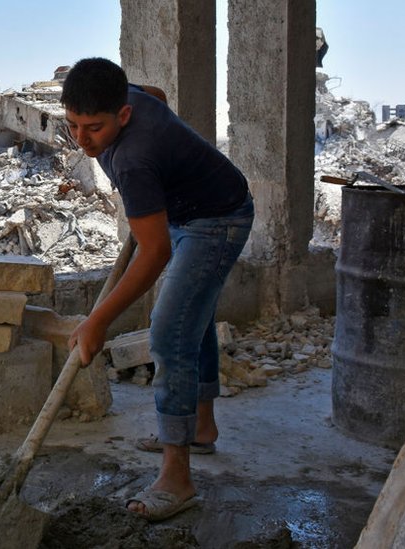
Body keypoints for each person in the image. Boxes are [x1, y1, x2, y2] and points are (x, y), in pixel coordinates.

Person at [62, 57, 254, 521]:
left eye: (95, 128)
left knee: (169, 333)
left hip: (218, 220)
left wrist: (98, 321)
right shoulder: (131, 96)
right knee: (194, 316)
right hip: (186, 212)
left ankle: (177, 477)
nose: (82, 140)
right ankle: (200, 427)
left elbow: (154, 254)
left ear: (123, 114)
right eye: (73, 125)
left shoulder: (133, 158)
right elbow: (159, 98)